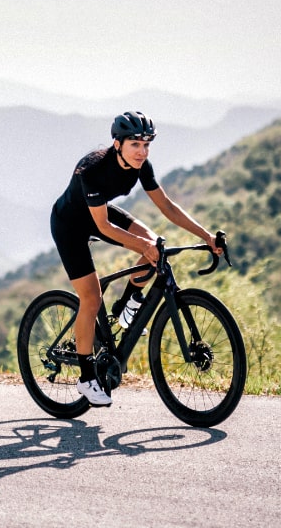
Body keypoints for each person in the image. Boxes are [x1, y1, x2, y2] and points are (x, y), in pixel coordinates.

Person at [50, 111, 222, 406]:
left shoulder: (142, 166)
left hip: (99, 214)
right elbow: (104, 226)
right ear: (117, 143)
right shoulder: (91, 169)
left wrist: (206, 236)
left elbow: (167, 206)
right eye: (135, 144)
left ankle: (126, 304)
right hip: (69, 224)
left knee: (155, 244)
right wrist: (143, 245)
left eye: (146, 144)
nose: (142, 152)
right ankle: (87, 378)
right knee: (91, 298)